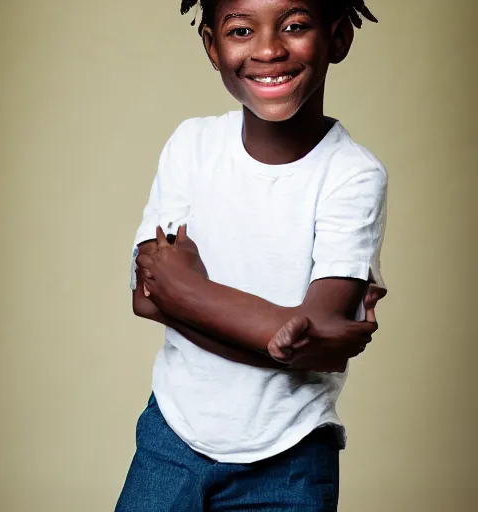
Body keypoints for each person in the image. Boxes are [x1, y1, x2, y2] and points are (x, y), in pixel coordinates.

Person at [116, 0, 388, 510]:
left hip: (290, 455)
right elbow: (147, 297)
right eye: (241, 29)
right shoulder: (192, 145)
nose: (268, 48)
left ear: (337, 40)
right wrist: (280, 337)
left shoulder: (352, 174)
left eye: (294, 25)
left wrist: (186, 293)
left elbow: (317, 333)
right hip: (171, 438)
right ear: (211, 47)